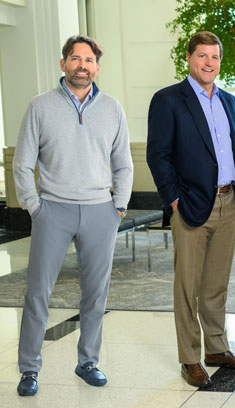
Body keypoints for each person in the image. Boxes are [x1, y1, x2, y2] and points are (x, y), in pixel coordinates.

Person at [13, 35, 133, 396]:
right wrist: (35, 207)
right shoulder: (39, 106)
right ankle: (29, 370)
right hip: (53, 209)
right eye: (76, 58)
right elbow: (22, 165)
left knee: (96, 293)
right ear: (63, 63)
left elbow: (124, 164)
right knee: (38, 292)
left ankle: (88, 362)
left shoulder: (113, 108)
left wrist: (118, 207)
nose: (83, 65)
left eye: (90, 60)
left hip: (100, 211)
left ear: (97, 66)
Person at [146, 31, 235, 388]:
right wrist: (173, 199)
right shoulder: (168, 100)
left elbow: (233, 148)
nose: (209, 63)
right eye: (203, 56)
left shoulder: (230, 101)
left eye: (215, 57)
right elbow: (157, 155)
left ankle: (217, 348)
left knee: (215, 285)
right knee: (187, 285)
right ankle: (190, 358)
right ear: (189, 58)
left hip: (229, 201)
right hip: (190, 204)